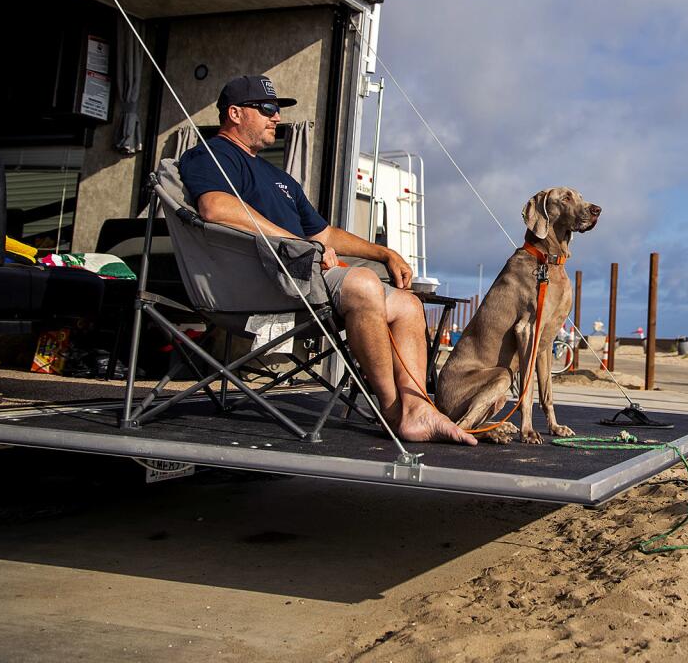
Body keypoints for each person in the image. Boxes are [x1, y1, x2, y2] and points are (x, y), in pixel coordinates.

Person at [179, 75, 475, 445]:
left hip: (300, 272)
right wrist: (298, 245)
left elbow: (324, 234)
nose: (276, 118)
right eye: (267, 109)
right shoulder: (212, 155)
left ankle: (418, 409)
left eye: (278, 111)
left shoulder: (277, 176)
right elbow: (214, 207)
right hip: (261, 283)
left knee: (408, 304)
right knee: (364, 285)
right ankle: (392, 410)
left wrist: (384, 252)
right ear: (235, 114)